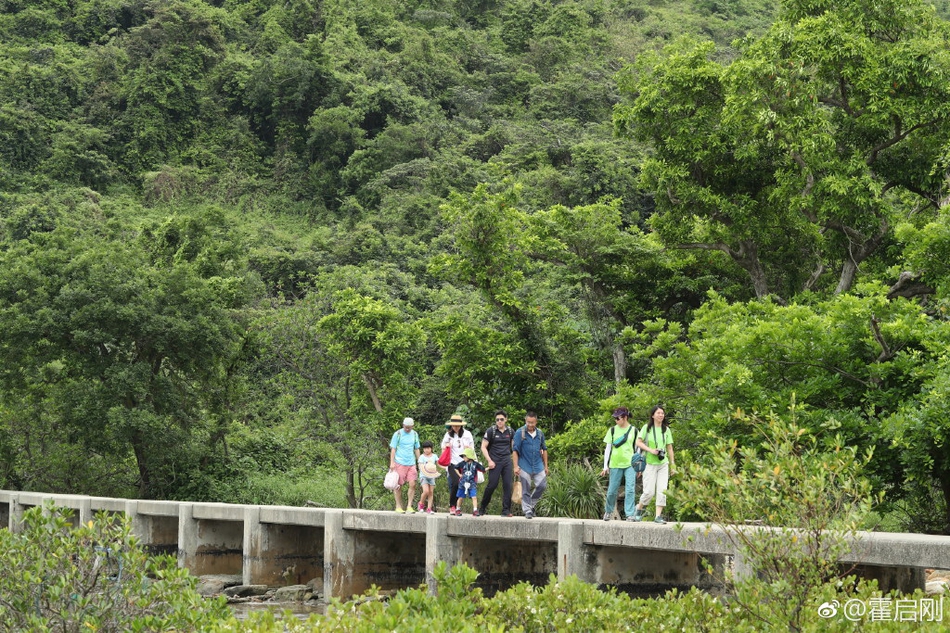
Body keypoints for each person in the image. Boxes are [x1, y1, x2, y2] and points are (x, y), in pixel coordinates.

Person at [632, 406, 676, 524]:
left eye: (662, 413)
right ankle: (639, 509)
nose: (661, 415)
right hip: (650, 463)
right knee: (649, 492)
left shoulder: (666, 430)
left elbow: (670, 447)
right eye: (658, 413)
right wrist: (650, 450)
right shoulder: (647, 428)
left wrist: (673, 464)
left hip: (663, 463)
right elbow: (638, 442)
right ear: (653, 415)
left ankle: (658, 516)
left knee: (662, 490)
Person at [600, 406, 638, 521]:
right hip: (615, 464)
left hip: (630, 464)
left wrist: (638, 464)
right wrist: (605, 466)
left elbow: (637, 448)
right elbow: (608, 449)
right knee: (612, 490)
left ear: (625, 417)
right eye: (615, 418)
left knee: (630, 489)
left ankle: (630, 513)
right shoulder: (612, 430)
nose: (616, 420)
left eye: (618, 418)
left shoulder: (634, 430)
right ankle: (608, 511)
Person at [512, 411, 548, 519]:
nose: (530, 425)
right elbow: (515, 450)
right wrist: (515, 466)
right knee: (526, 488)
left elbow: (544, 449)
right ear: (525, 421)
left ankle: (531, 504)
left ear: (536, 422)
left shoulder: (540, 433)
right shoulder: (520, 432)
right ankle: (527, 510)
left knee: (542, 485)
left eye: (532, 422)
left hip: (538, 464)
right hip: (524, 465)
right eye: (528, 422)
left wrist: (546, 466)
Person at [479, 409, 515, 517]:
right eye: (497, 419)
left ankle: (506, 510)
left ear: (506, 420)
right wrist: (489, 460)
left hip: (507, 461)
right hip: (494, 461)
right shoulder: (491, 431)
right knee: (492, 485)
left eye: (501, 419)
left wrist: (516, 462)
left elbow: (514, 447)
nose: (499, 421)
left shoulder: (510, 431)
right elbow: (483, 447)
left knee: (508, 485)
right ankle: (482, 507)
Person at [440, 413, 475, 516]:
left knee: (461, 485)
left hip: (463, 463)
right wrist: (446, 446)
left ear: (461, 426)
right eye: (454, 426)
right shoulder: (448, 435)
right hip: (452, 463)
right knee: (455, 482)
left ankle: (457, 507)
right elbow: (443, 448)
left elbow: (472, 449)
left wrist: (468, 448)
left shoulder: (467, 434)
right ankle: (452, 505)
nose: (455, 428)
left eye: (457, 426)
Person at [389, 417, 421, 513]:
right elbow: (393, 449)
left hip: (411, 462)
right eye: (406, 427)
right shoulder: (398, 434)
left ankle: (409, 506)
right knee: (398, 485)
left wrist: (419, 461)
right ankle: (398, 506)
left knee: (412, 484)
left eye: (409, 427)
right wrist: (392, 462)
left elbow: (416, 449)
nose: (407, 429)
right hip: (400, 462)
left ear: (412, 426)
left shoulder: (415, 434)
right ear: (403, 425)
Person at [451, 447, 486, 516]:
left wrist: (489, 468)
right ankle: (458, 509)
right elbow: (455, 468)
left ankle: (475, 510)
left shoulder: (475, 464)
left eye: (465, 456)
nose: (463, 457)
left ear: (469, 456)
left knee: (474, 496)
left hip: (472, 483)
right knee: (461, 497)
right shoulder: (462, 463)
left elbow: (483, 469)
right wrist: (460, 475)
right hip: (463, 483)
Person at [417, 440, 440, 514]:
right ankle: (421, 504)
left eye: (428, 448)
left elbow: (438, 463)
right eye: (425, 448)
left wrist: (445, 466)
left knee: (431, 492)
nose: (426, 450)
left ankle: (429, 508)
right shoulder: (422, 457)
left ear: (431, 448)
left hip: (432, 475)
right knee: (426, 491)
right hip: (424, 475)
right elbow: (420, 465)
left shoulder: (434, 456)